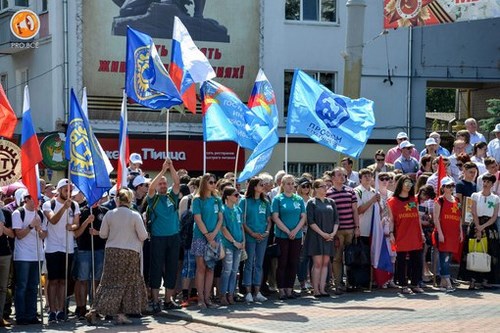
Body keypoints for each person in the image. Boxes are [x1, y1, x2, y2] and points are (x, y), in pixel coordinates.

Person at [87, 188, 148, 325]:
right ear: (130, 200)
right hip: (130, 253)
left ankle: (95, 310)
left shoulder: (109, 214)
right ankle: (121, 314)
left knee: (109, 282)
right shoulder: (135, 215)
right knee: (126, 284)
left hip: (112, 252)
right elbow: (143, 235)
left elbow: (103, 234)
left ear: (117, 200)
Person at [42, 179, 80, 323]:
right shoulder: (49, 204)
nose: (69, 192)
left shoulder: (74, 205)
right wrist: (64, 207)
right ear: (59, 190)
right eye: (66, 190)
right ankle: (52, 311)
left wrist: (74, 227)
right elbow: (52, 220)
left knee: (64, 281)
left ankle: (61, 310)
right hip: (52, 247)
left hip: (68, 247)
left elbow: (76, 223)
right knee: (53, 281)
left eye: (70, 190)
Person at [147, 159, 181, 313]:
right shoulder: (153, 199)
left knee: (172, 268)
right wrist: (161, 171)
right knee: (155, 268)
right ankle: (155, 300)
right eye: (160, 183)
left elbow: (177, 183)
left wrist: (171, 167)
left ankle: (168, 300)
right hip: (158, 238)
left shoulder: (171, 197)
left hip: (173, 237)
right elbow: (150, 188)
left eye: (164, 183)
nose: (162, 185)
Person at [12, 190, 47, 325]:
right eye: (33, 198)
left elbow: (44, 236)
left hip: (37, 255)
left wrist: (38, 229)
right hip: (23, 256)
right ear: (26, 199)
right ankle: (20, 316)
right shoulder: (18, 213)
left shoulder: (41, 214)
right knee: (22, 286)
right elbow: (19, 234)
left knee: (33, 286)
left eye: (38, 198)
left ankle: (31, 315)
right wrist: (31, 225)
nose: (36, 201)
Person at [387, 175, 424, 294]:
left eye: (410, 183)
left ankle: (415, 283)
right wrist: (391, 233)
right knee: (401, 261)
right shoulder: (392, 201)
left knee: (417, 260)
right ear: (401, 184)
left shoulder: (414, 199)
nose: (408, 185)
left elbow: (417, 217)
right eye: (406, 182)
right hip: (401, 234)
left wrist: (421, 232)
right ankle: (403, 284)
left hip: (414, 234)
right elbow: (391, 219)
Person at [272, 174, 306, 300]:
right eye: (288, 184)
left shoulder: (298, 199)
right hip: (282, 236)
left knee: (293, 262)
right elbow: (275, 217)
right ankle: (281, 290)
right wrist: (287, 231)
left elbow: (303, 217)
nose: (291, 186)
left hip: (296, 236)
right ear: (283, 185)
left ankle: (289, 289)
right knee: (282, 263)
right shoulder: (278, 199)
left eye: (293, 184)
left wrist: (295, 230)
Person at [73, 197, 108, 319]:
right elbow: (76, 233)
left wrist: (98, 232)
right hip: (84, 250)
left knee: (97, 280)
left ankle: (95, 307)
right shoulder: (81, 211)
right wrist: (87, 222)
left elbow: (109, 231)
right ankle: (81, 307)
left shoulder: (105, 211)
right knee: (82, 280)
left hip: (99, 249)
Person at [191, 173, 223, 309]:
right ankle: (201, 298)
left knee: (211, 268)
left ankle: (208, 297)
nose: (213, 184)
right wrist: (207, 235)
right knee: (201, 268)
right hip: (200, 236)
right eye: (210, 182)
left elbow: (220, 218)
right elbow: (197, 219)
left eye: (214, 182)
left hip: (214, 237)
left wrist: (213, 234)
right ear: (204, 183)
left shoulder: (217, 200)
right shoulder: (197, 200)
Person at [326, 167, 360, 294]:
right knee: (337, 258)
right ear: (333, 178)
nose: (342, 177)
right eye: (339, 175)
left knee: (351, 257)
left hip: (350, 229)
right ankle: (338, 284)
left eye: (344, 175)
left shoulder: (351, 191)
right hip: (337, 232)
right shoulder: (328, 193)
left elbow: (355, 210)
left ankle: (351, 282)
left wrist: (357, 227)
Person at [305, 179, 339, 297]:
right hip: (316, 236)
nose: (325, 188)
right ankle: (316, 289)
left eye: (326, 186)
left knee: (326, 262)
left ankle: (322, 288)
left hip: (329, 236)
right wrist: (322, 233)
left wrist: (333, 233)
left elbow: (336, 220)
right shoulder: (312, 202)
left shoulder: (331, 202)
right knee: (318, 263)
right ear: (315, 189)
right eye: (322, 186)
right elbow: (310, 221)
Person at [466, 173, 500, 288]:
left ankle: (486, 280)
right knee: (474, 250)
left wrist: (484, 226)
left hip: (489, 225)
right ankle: (472, 279)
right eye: (484, 182)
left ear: (492, 184)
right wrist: (478, 227)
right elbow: (473, 211)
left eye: (488, 182)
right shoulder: (475, 195)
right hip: (476, 224)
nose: (485, 184)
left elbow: (495, 216)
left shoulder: (495, 198)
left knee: (489, 251)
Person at [240, 177, 271, 303]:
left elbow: (269, 220)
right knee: (249, 264)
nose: (263, 186)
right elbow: (243, 221)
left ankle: (257, 291)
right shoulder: (245, 201)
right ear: (254, 186)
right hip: (249, 237)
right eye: (260, 184)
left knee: (259, 264)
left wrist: (267, 231)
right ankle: (247, 292)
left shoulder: (265, 202)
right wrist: (252, 233)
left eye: (264, 184)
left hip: (263, 237)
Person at [433, 177, 462, 292]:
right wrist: (440, 233)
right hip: (444, 233)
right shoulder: (439, 200)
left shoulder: (456, 200)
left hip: (454, 233)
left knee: (448, 258)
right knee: (444, 258)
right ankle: (447, 281)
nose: (450, 188)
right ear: (443, 188)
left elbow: (459, 217)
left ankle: (443, 283)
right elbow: (436, 218)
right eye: (448, 186)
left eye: (452, 186)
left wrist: (460, 232)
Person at [219, 187, 245, 305]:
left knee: (235, 270)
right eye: (235, 195)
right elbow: (223, 228)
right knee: (227, 270)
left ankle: (231, 294)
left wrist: (243, 241)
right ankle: (223, 294)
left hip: (239, 244)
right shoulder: (223, 210)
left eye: (238, 195)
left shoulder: (238, 209)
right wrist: (234, 241)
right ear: (227, 196)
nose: (238, 197)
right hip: (228, 244)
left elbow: (241, 226)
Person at [0, 208, 14, 327]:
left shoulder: (6, 213)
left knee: (3, 288)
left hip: (4, 253)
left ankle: (0, 317)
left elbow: (12, 234)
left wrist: (2, 226)